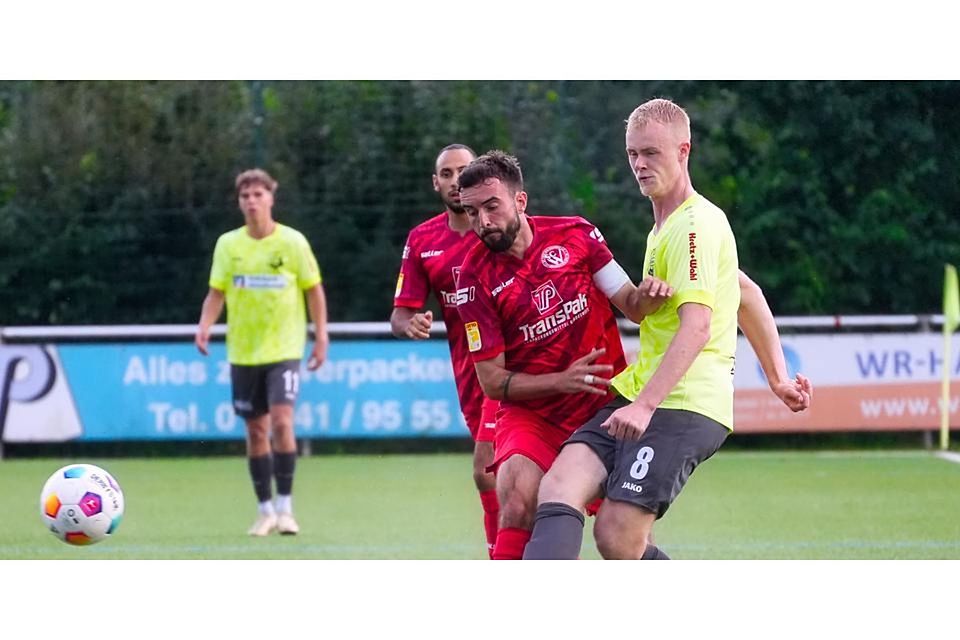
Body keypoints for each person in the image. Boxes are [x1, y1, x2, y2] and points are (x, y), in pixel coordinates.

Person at [522, 98, 812, 560]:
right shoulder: (664, 227)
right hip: (650, 392)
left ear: (684, 151)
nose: (639, 164)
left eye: (651, 153)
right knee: (559, 484)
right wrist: (777, 377)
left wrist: (643, 406)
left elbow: (696, 329)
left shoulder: (695, 226)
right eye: (633, 153)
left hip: (683, 402)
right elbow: (746, 291)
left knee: (616, 535)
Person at [455, 150, 673, 560]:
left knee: (624, 536)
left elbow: (629, 302)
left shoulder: (577, 235)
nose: (483, 222)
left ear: (520, 201)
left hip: (606, 405)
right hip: (533, 414)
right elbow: (492, 381)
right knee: (517, 495)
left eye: (491, 206)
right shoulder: (472, 279)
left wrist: (647, 296)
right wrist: (561, 380)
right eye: (471, 213)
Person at [195, 168, 329, 537]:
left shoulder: (293, 243)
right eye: (245, 196)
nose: (252, 201)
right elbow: (216, 292)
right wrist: (205, 326)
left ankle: (286, 508)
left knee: (283, 422)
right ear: (239, 203)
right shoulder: (228, 245)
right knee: (256, 431)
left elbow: (313, 290)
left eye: (258, 194)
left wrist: (320, 337)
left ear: (271, 198)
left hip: (285, 347)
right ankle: (264, 510)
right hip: (243, 351)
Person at [390, 144, 502, 558]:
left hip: (513, 367)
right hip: (470, 375)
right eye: (447, 173)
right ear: (435, 182)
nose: (456, 179)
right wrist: (411, 323)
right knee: (512, 477)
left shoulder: (499, 228)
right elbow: (400, 316)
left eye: (464, 170)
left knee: (487, 470)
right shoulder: (423, 240)